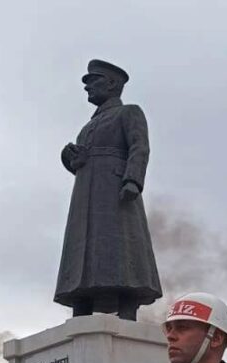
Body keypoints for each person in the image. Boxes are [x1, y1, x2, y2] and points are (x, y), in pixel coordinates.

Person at [54, 59, 162, 320]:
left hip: (114, 190)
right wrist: (70, 157)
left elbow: (139, 146)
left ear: (112, 84)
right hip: (85, 195)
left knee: (121, 250)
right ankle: (81, 307)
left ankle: (128, 310)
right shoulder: (88, 127)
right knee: (83, 251)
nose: (87, 88)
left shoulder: (129, 113)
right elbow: (82, 162)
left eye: (94, 81)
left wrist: (132, 180)